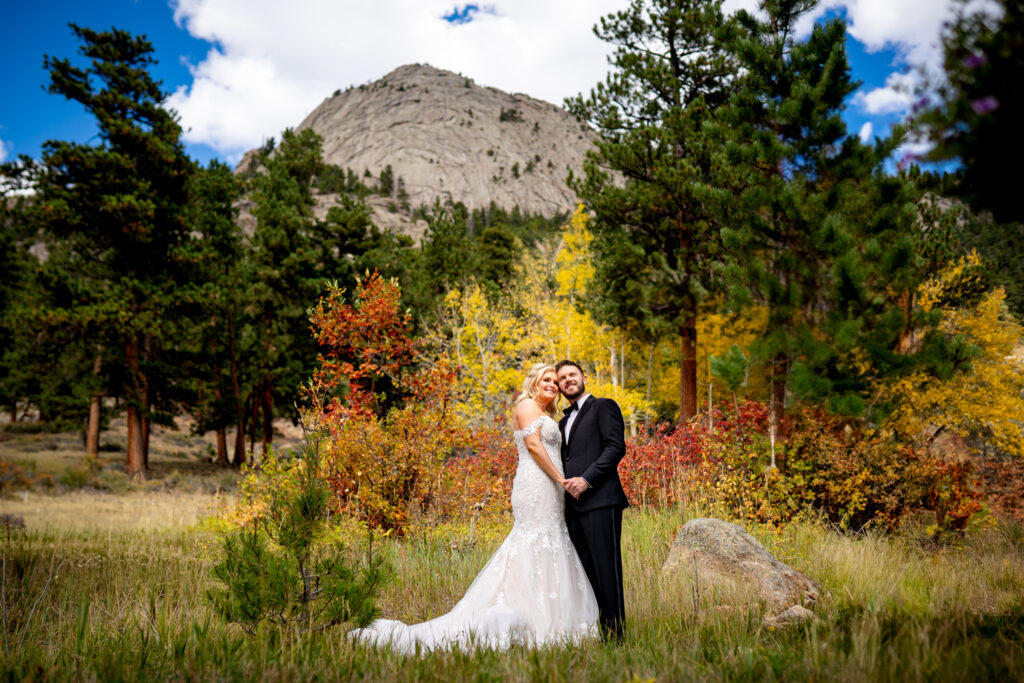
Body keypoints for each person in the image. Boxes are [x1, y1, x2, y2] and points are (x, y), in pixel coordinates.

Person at [350, 363, 598, 653]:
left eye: (555, 381)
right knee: (533, 539)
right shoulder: (527, 405)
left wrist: (562, 483)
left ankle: (554, 618)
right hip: (536, 485)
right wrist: (562, 480)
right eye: (547, 379)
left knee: (552, 539)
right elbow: (533, 446)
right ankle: (529, 615)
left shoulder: (548, 414)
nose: (553, 385)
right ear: (534, 383)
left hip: (553, 489)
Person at [555, 359, 629, 640]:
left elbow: (615, 447)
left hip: (601, 500)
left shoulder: (603, 406)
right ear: (560, 386)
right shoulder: (562, 421)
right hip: (572, 508)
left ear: (584, 377)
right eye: (562, 378)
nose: (568, 380)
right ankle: (597, 632)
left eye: (572, 374)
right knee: (586, 574)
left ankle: (616, 637)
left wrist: (587, 479)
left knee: (606, 570)